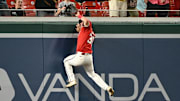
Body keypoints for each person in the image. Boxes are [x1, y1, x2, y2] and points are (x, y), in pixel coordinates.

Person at [63, 12, 114, 96]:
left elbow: (86, 21)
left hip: (81, 56)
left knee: (66, 61)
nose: (76, 27)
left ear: (81, 24)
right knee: (92, 74)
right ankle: (107, 87)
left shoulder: (86, 28)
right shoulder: (89, 32)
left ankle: (72, 79)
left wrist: (78, 15)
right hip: (88, 57)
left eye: (78, 25)